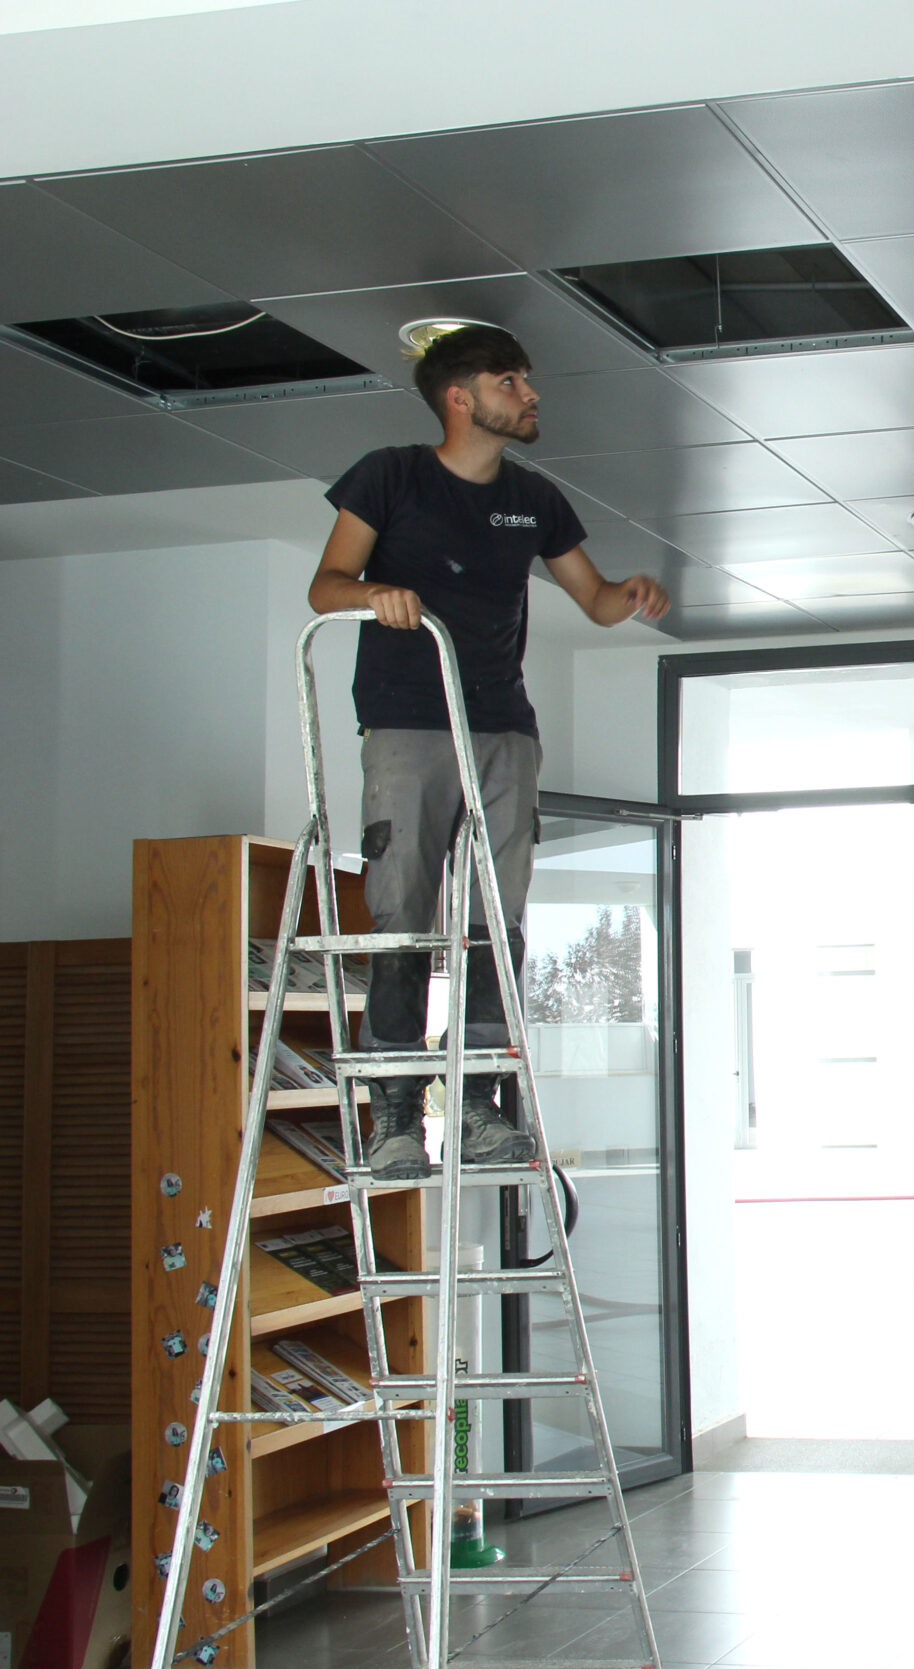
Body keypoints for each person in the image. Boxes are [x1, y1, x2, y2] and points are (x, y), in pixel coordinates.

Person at [307, 325, 668, 1180]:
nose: (531, 395)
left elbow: (596, 600)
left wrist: (633, 594)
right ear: (461, 398)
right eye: (513, 381)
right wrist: (375, 594)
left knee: (493, 921)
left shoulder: (536, 500)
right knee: (400, 911)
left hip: (503, 725)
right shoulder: (390, 474)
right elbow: (326, 585)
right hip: (407, 720)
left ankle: (474, 1104)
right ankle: (395, 1114)